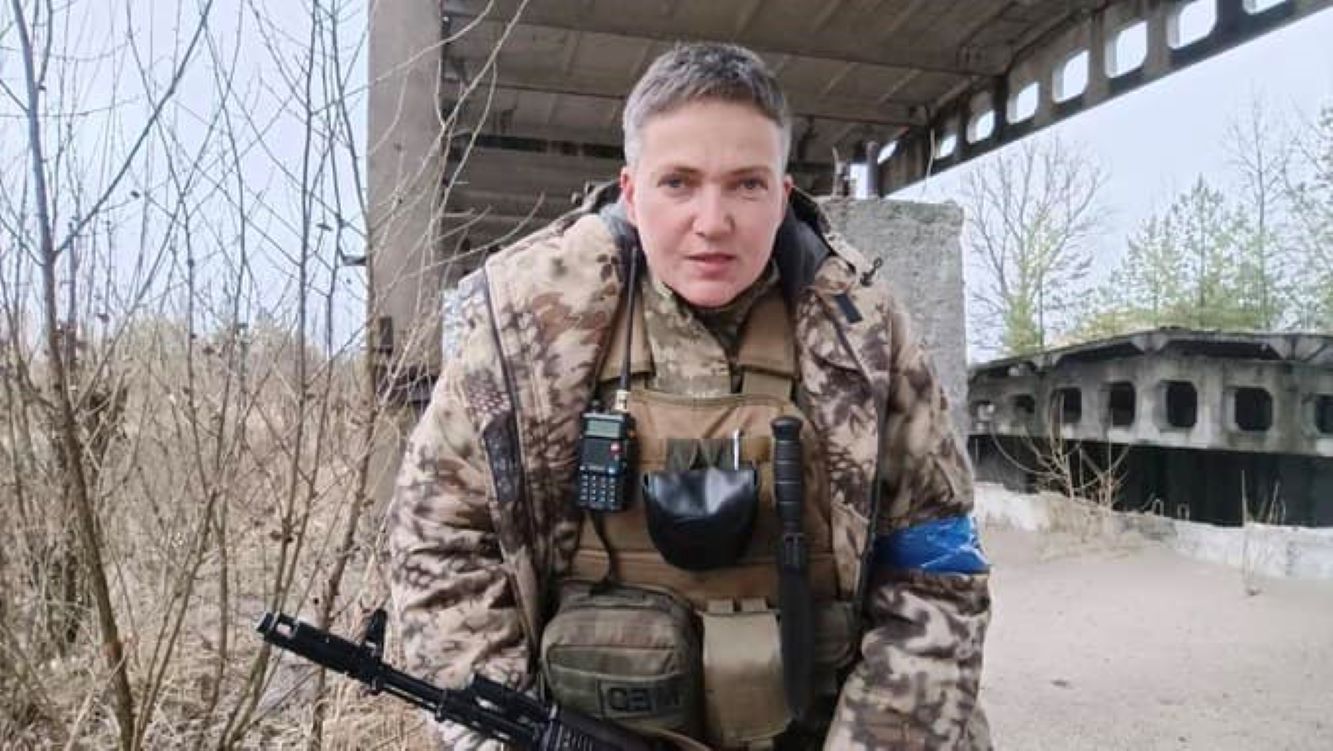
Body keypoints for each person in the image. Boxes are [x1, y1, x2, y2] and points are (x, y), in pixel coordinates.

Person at [388, 42, 991, 750]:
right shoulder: (530, 326)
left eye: (745, 185)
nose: (712, 221)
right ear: (631, 190)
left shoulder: (865, 335)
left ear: (782, 195)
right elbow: (440, 542)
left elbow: (937, 569)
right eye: (678, 182)